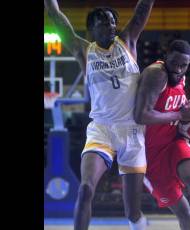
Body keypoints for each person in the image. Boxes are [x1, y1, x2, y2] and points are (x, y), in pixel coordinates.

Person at [44, 1, 155, 229]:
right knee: (85, 189)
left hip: (131, 131)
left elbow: (142, 9)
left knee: (133, 213)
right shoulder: (84, 50)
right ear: (92, 29)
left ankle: (139, 224)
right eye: (104, 22)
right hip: (101, 130)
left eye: (113, 21)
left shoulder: (127, 42)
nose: (111, 25)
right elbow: (56, 16)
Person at [134, 40, 190, 230]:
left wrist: (185, 108)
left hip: (174, 140)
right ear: (165, 56)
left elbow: (173, 105)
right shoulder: (156, 74)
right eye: (174, 63)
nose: (178, 69)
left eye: (183, 65)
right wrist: (179, 114)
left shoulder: (180, 77)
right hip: (149, 154)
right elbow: (141, 115)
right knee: (184, 213)